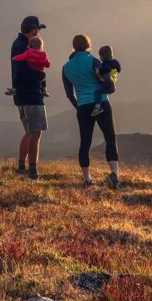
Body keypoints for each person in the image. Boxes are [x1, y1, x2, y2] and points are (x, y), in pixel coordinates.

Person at [62, 33, 120, 188]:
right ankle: (115, 174)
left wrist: (79, 105)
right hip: (101, 102)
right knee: (110, 137)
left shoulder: (66, 68)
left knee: (85, 142)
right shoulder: (94, 61)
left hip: (83, 106)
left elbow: (69, 94)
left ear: (73, 47)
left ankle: (87, 179)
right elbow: (109, 83)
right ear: (88, 45)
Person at [10, 16, 48, 180]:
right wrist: (41, 75)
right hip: (32, 94)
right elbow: (23, 72)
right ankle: (33, 171)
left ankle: (21, 166)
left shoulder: (18, 44)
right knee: (36, 132)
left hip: (22, 95)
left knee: (29, 131)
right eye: (37, 29)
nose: (38, 32)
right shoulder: (23, 46)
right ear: (32, 29)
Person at [91, 45, 121, 116]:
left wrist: (98, 72)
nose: (100, 58)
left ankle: (98, 107)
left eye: (100, 56)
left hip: (108, 84)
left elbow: (106, 70)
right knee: (101, 89)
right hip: (112, 85)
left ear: (102, 56)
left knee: (97, 91)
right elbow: (119, 69)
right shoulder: (114, 62)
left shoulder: (106, 64)